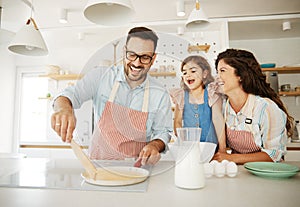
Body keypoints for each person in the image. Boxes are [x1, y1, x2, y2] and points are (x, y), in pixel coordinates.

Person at [51, 27, 173, 166]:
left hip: (136, 170)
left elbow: (163, 132)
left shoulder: (159, 93)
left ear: (153, 58)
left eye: (145, 57)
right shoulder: (101, 76)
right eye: (132, 54)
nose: (137, 63)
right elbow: (69, 95)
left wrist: (155, 146)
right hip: (99, 167)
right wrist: (63, 109)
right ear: (124, 51)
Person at [212, 48, 294, 164]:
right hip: (239, 172)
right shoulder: (223, 107)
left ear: (240, 75)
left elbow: (274, 154)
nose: (217, 77)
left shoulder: (266, 108)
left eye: (222, 71)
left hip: (266, 173)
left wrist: (231, 158)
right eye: (217, 72)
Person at [170, 55, 226, 152]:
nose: (188, 75)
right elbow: (177, 122)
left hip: (212, 147)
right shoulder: (181, 96)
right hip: (190, 148)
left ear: (204, 73)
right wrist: (182, 143)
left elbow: (218, 119)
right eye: (184, 72)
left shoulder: (211, 93)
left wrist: (222, 149)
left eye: (193, 71)